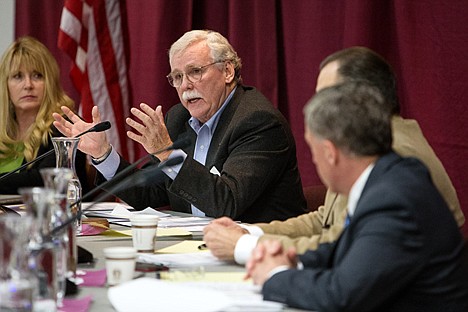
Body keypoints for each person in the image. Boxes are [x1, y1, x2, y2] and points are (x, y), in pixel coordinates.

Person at [203, 46, 464, 263]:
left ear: (363, 98)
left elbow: (339, 245)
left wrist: (246, 245)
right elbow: (325, 219)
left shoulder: (394, 154)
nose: (319, 108)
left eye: (327, 97)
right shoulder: (363, 143)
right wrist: (250, 230)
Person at [245, 82, 468, 311]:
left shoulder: (393, 200)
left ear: (330, 153)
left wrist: (275, 275)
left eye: (313, 150)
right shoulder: (386, 177)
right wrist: (292, 259)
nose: (313, 161)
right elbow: (344, 249)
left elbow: (341, 295)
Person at [52, 30, 307, 223]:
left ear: (228, 71)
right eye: (177, 77)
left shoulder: (258, 121)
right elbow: (148, 194)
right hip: (195, 252)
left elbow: (226, 204)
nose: (185, 85)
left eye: (195, 71)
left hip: (256, 257)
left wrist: (167, 152)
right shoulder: (179, 119)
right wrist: (103, 154)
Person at [0, 36, 89, 194]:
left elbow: (46, 179)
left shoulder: (65, 126)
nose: (28, 85)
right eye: (18, 76)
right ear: (5, 85)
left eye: (37, 76)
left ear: (50, 81)